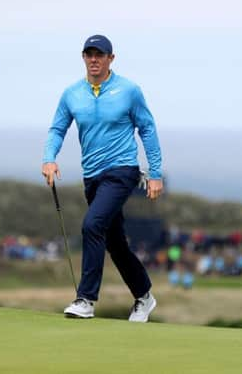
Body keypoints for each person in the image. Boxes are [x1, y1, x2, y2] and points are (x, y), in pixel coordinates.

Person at [42, 34, 163, 322]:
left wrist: (155, 173)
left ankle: (85, 299)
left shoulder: (129, 90)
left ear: (111, 58)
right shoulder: (72, 94)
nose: (94, 60)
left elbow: (147, 128)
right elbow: (57, 128)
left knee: (92, 225)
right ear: (83, 57)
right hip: (92, 176)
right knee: (115, 243)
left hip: (122, 171)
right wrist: (49, 158)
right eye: (89, 54)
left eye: (100, 55)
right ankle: (144, 296)